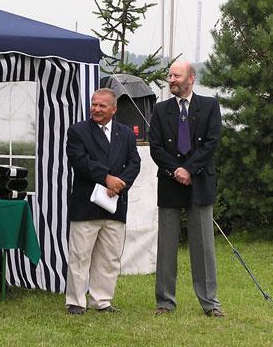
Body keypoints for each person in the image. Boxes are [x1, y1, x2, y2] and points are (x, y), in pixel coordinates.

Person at [147, 60, 224, 317]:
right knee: (166, 246)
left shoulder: (210, 106)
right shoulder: (160, 110)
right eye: (170, 75)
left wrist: (189, 169)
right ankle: (165, 302)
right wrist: (176, 171)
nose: (172, 80)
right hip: (170, 183)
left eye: (176, 76)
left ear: (191, 78)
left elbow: (211, 142)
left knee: (203, 246)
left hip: (199, 182)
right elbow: (156, 147)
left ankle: (210, 303)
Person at [65, 88, 141, 315]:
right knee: (80, 256)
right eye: (94, 104)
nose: (96, 109)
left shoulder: (126, 133)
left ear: (114, 109)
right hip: (86, 205)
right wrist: (106, 178)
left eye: (102, 106)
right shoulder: (78, 131)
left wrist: (120, 184)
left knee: (109, 256)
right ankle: (76, 301)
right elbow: (79, 161)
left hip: (115, 203)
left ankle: (101, 300)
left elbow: (134, 163)